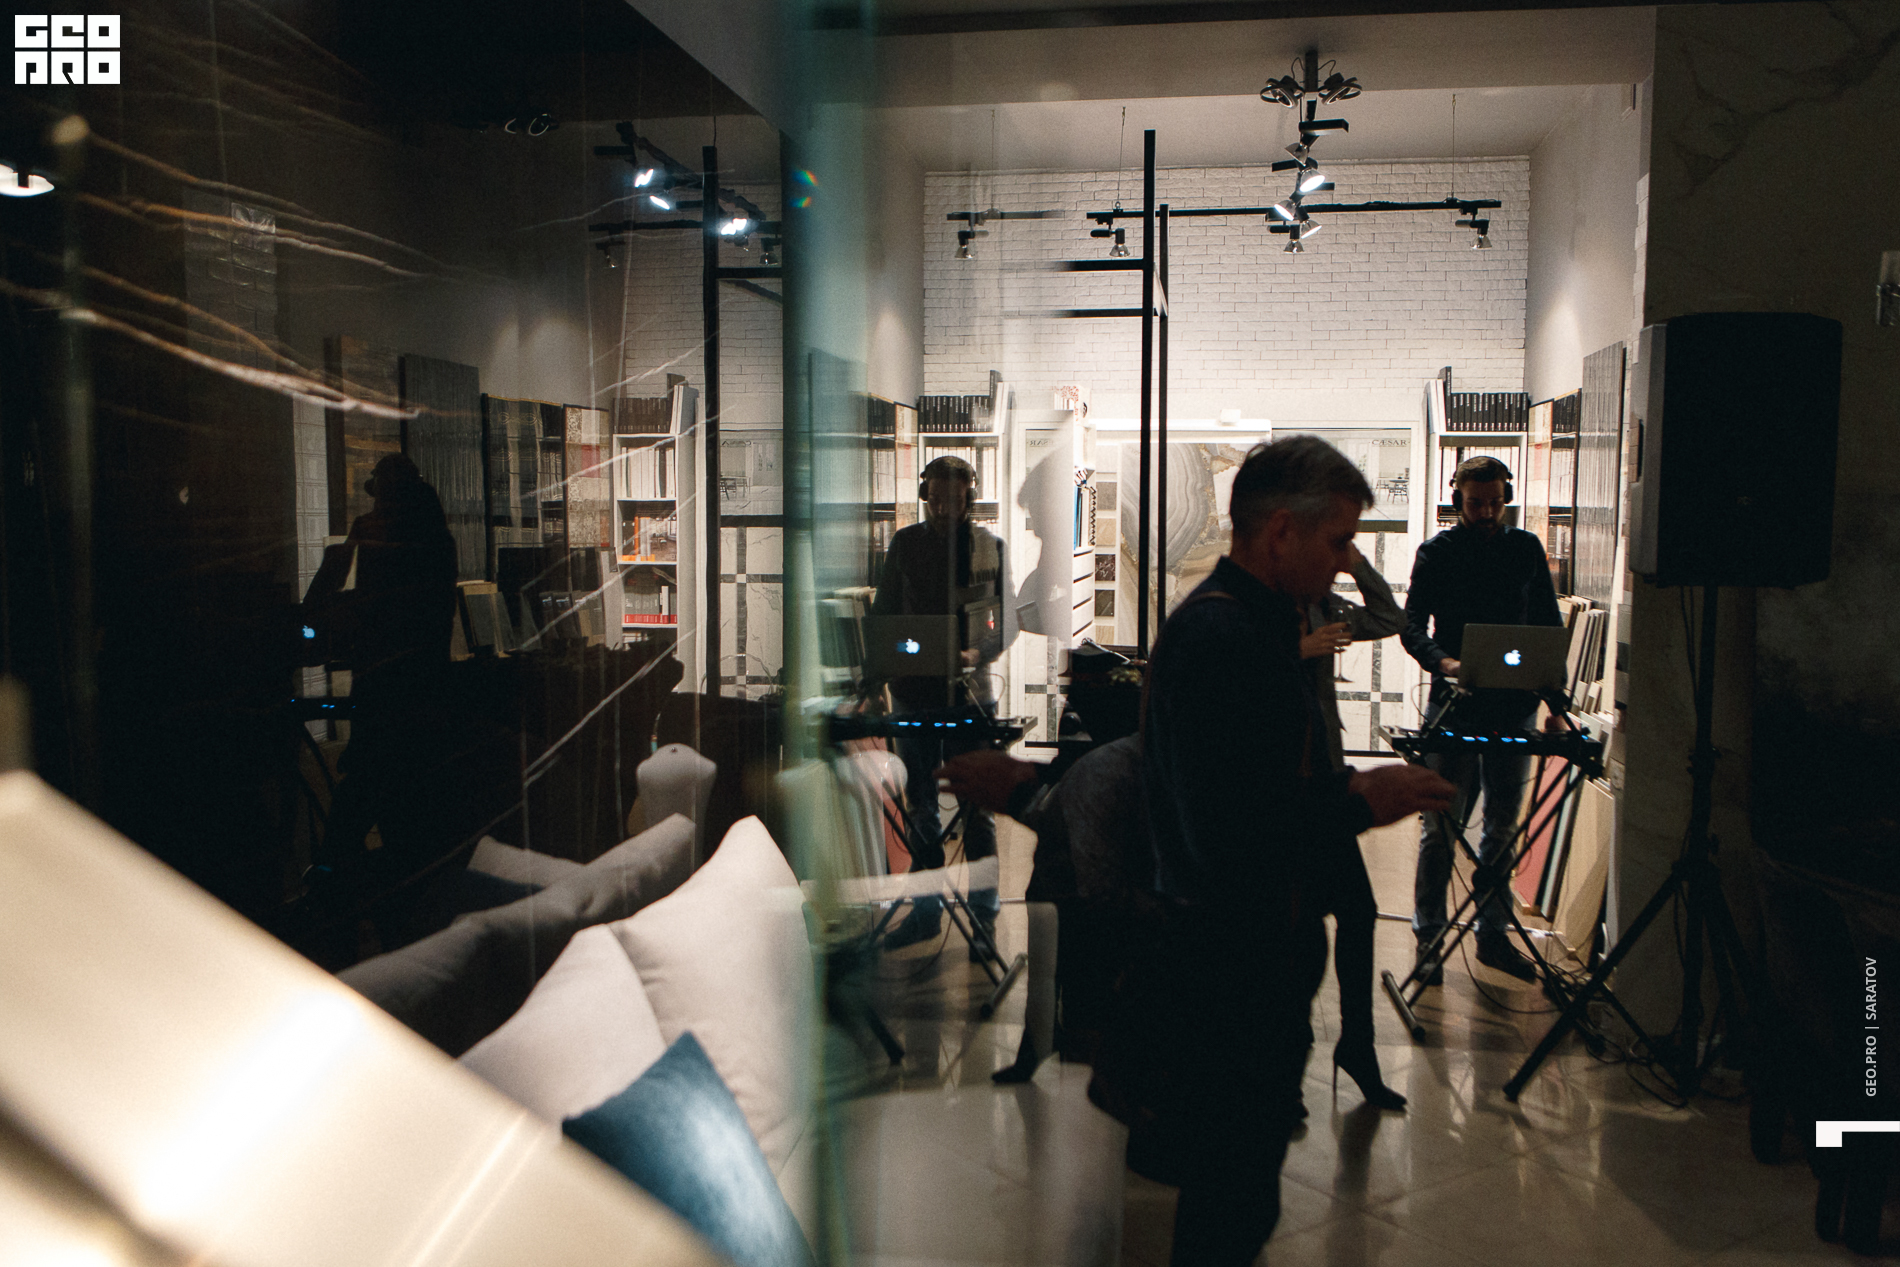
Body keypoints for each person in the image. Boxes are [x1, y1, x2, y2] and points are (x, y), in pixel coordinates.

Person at [1137, 437, 1454, 1266]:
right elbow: (1229, 828)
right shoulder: (1224, 637)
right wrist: (1358, 799)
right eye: (1339, 540)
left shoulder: (1254, 625)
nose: (1345, 558)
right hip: (1233, 969)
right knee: (1229, 1204)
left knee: (1242, 1197)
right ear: (1282, 532)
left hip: (1250, 960)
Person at [1400, 454, 1563, 986]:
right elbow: (1411, 628)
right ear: (1457, 501)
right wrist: (1444, 663)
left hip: (1514, 707)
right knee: (1440, 827)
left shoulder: (1526, 549)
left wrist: (1556, 701)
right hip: (1455, 705)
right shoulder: (1436, 553)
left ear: (1505, 498)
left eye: (1495, 503)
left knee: (1502, 828)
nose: (1487, 512)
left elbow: (1547, 626)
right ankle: (1429, 935)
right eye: (1476, 504)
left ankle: (1492, 935)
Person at [871, 454, 1010, 948]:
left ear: (970, 497)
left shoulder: (990, 547)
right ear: (925, 495)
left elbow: (1004, 621)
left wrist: (976, 653)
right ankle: (926, 914)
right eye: (937, 498)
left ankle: (983, 921)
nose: (946, 508)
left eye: (956, 499)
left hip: (970, 698)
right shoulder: (905, 544)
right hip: (914, 695)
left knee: (977, 810)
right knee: (922, 809)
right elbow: (885, 613)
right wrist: (890, 664)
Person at [1299, 543, 1408, 1111]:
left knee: (1358, 912)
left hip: (1325, 781)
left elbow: (1390, 619)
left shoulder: (1324, 604)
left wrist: (1358, 566)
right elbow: (1221, 675)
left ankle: (1358, 1046)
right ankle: (1286, 1065)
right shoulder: (1253, 609)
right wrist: (1298, 650)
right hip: (1279, 788)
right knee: (1292, 927)